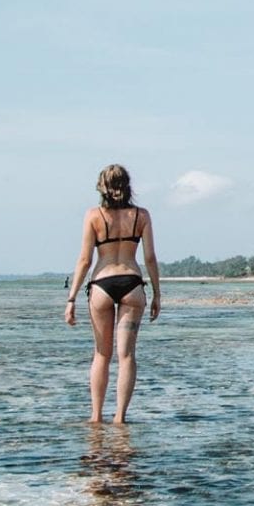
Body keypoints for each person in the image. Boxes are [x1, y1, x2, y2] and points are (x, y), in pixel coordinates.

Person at [64, 164, 161, 424]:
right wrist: (157, 294)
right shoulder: (141, 216)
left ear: (102, 186)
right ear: (127, 185)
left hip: (102, 285)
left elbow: (84, 260)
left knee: (101, 355)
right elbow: (150, 258)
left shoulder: (93, 216)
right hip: (132, 282)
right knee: (127, 356)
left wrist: (71, 298)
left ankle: (96, 417)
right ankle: (120, 418)